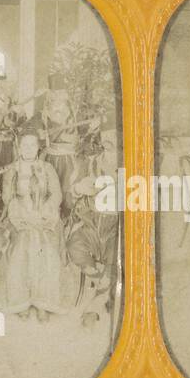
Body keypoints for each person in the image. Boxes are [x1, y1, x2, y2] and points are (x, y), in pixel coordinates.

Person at [1, 133, 65, 321]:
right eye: (24, 145)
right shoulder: (12, 170)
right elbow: (8, 198)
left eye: (32, 145)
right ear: (18, 147)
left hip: (45, 215)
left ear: (38, 147)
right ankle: (21, 301)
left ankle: (43, 302)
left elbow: (56, 195)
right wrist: (22, 214)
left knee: (47, 250)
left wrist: (44, 211)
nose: (28, 148)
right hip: (20, 215)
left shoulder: (47, 168)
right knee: (21, 248)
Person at [67, 128, 121, 328]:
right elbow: (71, 192)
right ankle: (104, 285)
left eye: (114, 135)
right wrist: (79, 189)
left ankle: (94, 307)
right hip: (91, 222)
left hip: (117, 224)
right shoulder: (90, 163)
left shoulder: (131, 164)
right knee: (74, 246)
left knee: (114, 255)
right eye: (106, 135)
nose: (109, 140)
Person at [42, 73, 95, 218]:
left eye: (60, 92)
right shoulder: (46, 112)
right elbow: (41, 132)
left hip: (69, 158)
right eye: (54, 93)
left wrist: (90, 127)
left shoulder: (73, 110)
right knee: (51, 189)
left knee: (68, 190)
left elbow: (82, 131)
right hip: (51, 157)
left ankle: (69, 222)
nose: (57, 96)